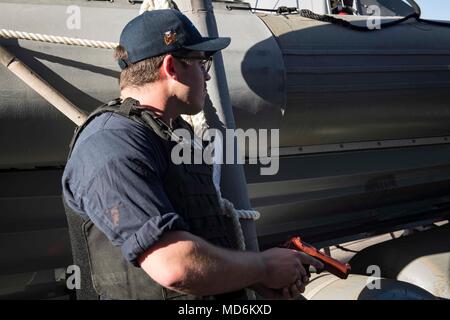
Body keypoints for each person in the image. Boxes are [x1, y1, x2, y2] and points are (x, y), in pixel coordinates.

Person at [62, 9, 323, 300]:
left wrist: (254, 281)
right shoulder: (111, 143)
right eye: (201, 62)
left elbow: (201, 241)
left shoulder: (172, 133)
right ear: (172, 67)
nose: (207, 73)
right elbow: (176, 266)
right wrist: (262, 267)